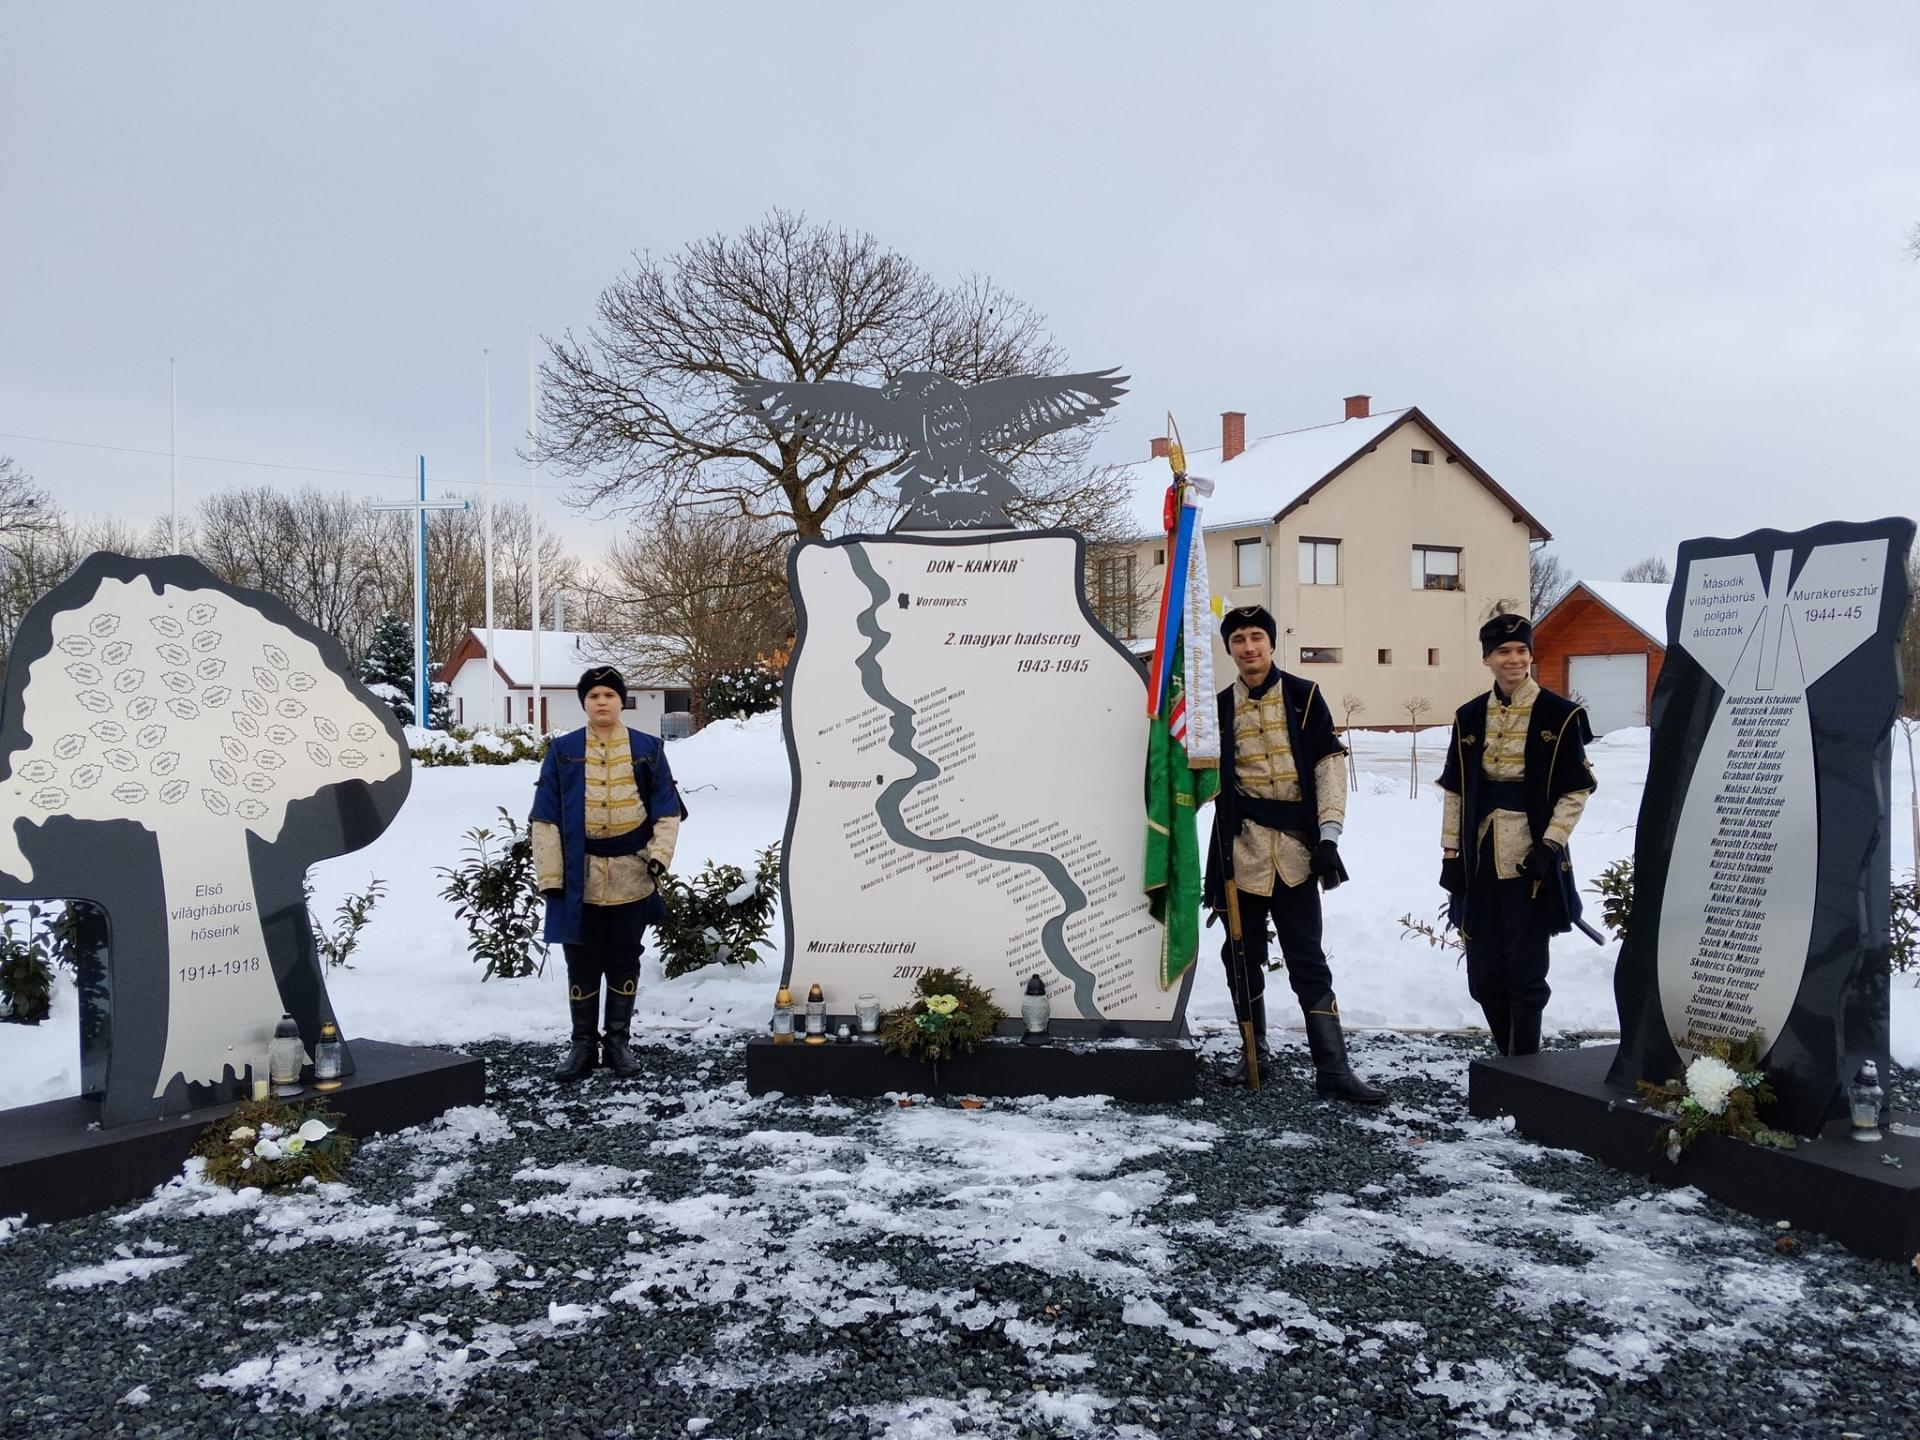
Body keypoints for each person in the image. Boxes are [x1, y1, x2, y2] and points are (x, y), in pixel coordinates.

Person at [1202, 605, 1386, 1104]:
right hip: (1240, 852)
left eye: (1256, 637)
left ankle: (1333, 1069)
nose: (1249, 647)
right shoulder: (1217, 708)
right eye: (1238, 639)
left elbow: (1328, 766)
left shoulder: (1305, 697)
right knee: (1241, 955)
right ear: (1229, 648)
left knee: (1307, 959)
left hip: (1297, 855)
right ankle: (1253, 1053)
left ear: (1271, 642)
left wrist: (1329, 837)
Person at [1436, 611, 1596, 1057]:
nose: (1514, 659)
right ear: (1487, 658)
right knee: (1484, 974)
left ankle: (1524, 1067)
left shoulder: (1559, 715)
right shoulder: (1469, 716)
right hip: (1479, 858)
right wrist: (1450, 854)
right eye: (1503, 651)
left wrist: (1550, 844)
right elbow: (1455, 790)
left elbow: (1576, 790)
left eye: (1522, 650)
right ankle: (1508, 1060)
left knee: (1526, 972)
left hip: (1532, 862)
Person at [530, 666, 684, 1083]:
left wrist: (659, 857)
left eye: (609, 695)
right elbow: (545, 818)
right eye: (594, 695)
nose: (602, 702)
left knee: (624, 958)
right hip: (578, 878)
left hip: (631, 875)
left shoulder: (648, 748)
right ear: (585, 702)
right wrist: (551, 877)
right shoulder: (562, 751)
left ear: (620, 701)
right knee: (580, 961)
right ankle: (583, 1045)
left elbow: (667, 809)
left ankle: (618, 1042)